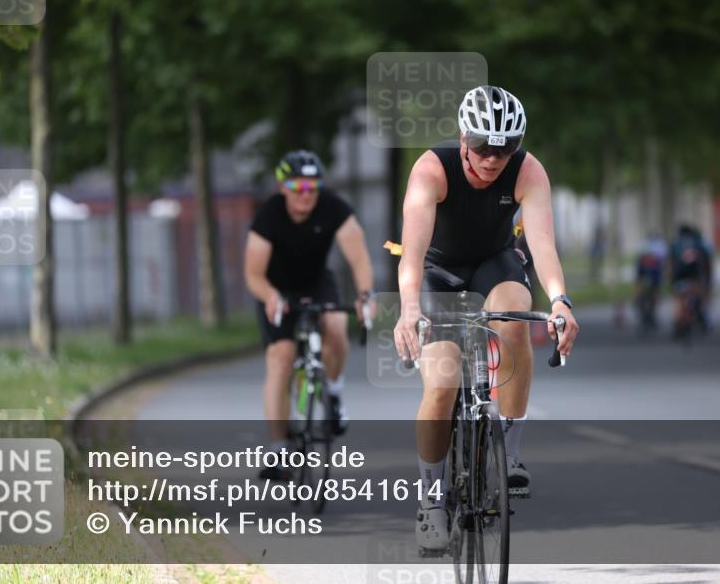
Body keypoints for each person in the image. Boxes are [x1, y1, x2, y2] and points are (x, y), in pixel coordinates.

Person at [392, 86, 579, 551]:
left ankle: (510, 453)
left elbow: (542, 245)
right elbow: (410, 257)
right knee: (441, 385)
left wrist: (560, 301)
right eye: (483, 147)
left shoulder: (528, 171)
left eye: (505, 147)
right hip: (439, 272)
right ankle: (431, 499)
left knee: (514, 318)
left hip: (494, 263)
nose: (493, 158)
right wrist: (409, 309)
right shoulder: (431, 170)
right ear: (463, 137)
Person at [244, 150, 375, 481]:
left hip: (317, 283)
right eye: (298, 188)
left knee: (336, 326)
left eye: (313, 188)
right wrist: (271, 296)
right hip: (275, 290)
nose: (306, 195)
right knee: (281, 357)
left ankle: (333, 392)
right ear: (283, 187)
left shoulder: (333, 208)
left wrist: (364, 296)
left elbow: (359, 258)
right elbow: (253, 275)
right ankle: (278, 447)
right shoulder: (268, 217)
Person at [669, 224, 713, 336]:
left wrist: (670, 277)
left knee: (678, 299)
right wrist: (707, 280)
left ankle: (678, 322)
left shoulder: (675, 243)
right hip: (694, 274)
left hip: (679, 275)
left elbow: (670, 262)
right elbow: (705, 261)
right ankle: (700, 316)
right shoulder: (698, 243)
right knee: (698, 294)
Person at [635, 232, 667, 333]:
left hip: (645, 272)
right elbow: (663, 262)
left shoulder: (643, 245)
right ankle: (648, 304)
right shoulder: (660, 246)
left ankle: (640, 301)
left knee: (642, 288)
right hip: (653, 273)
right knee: (655, 290)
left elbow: (639, 263)